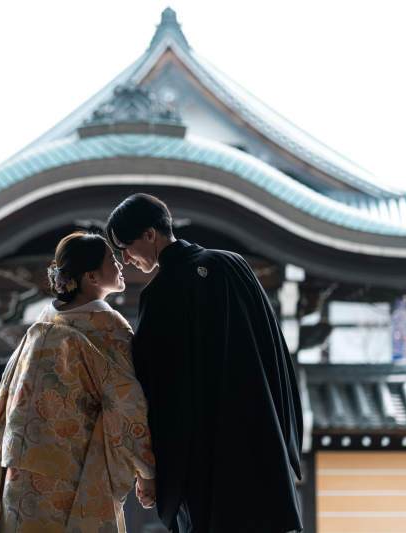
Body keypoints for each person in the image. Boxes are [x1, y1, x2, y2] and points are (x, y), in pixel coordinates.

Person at [106, 194, 303, 533]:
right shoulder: (234, 264)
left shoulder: (160, 292)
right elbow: (275, 353)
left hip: (206, 454)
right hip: (261, 435)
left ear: (150, 234)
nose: (125, 258)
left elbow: (155, 388)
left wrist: (151, 471)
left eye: (126, 246)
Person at [0, 231, 156, 533]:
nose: (120, 264)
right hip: (72, 471)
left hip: (18, 465)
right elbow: (126, 402)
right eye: (111, 259)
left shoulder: (44, 321)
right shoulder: (108, 329)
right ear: (91, 277)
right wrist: (146, 471)